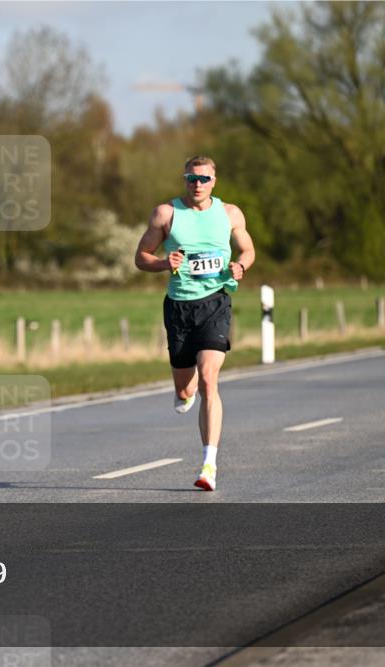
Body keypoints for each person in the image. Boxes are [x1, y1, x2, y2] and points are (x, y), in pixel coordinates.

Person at [134, 156, 255, 491]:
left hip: (215, 303)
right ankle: (182, 393)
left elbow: (247, 250)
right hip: (179, 308)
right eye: (191, 178)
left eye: (203, 179)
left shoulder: (230, 214)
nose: (197, 184)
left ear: (214, 181)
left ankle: (209, 465)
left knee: (209, 381)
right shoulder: (166, 214)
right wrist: (162, 263)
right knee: (186, 388)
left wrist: (240, 266)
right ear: (184, 180)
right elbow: (139, 257)